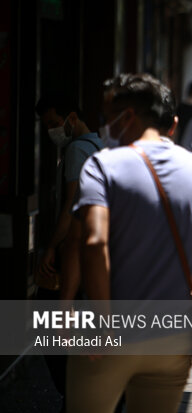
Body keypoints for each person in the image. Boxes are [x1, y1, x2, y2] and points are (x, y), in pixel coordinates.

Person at [68, 73, 192, 413]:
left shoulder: (102, 165)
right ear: (172, 125)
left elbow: (94, 243)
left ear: (126, 117)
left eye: (107, 117)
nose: (105, 126)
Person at [35, 94, 104, 289]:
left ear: (72, 119)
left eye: (54, 123)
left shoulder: (76, 150)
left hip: (76, 247)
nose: (51, 130)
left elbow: (71, 204)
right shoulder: (99, 145)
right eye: (47, 125)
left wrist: (51, 247)